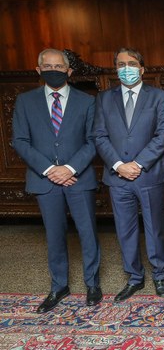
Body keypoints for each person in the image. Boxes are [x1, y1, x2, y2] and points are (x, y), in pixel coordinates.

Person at [12, 48, 101, 313]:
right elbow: (20, 141)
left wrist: (70, 168)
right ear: (38, 70)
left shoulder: (87, 101)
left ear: (69, 71)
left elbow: (93, 140)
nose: (54, 70)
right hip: (45, 180)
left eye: (59, 66)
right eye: (48, 66)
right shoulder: (25, 101)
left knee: (88, 233)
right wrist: (51, 169)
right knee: (54, 235)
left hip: (78, 179)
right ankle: (59, 286)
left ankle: (92, 284)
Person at [94, 47, 164, 301]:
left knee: (154, 227)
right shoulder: (104, 98)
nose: (125, 68)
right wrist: (119, 165)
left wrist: (138, 164)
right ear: (115, 69)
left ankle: (159, 275)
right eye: (120, 64)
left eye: (131, 64)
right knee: (124, 229)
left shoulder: (159, 97)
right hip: (117, 176)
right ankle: (134, 277)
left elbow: (163, 135)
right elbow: (99, 135)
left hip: (149, 174)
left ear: (142, 69)